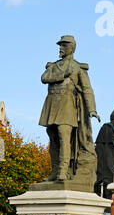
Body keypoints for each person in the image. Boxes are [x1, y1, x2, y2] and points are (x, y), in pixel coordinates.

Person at [39, 35, 101, 183]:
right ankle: (55, 171)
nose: (61, 48)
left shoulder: (78, 68)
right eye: (60, 46)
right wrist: (62, 75)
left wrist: (92, 109)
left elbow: (87, 90)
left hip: (68, 105)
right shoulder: (53, 66)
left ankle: (63, 171)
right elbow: (44, 78)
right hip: (52, 103)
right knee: (53, 138)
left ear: (71, 48)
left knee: (64, 137)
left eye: (64, 46)